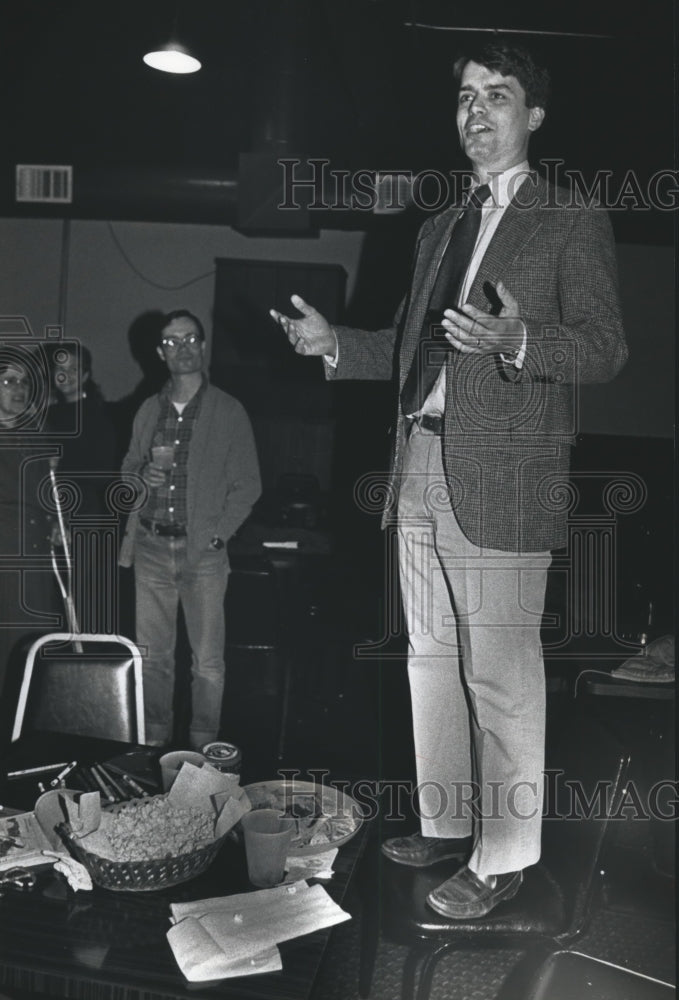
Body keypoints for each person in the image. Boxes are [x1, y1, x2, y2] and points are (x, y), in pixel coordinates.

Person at [270, 41, 628, 918]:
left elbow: (605, 349)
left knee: (500, 677)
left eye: (496, 96)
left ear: (532, 116)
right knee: (429, 659)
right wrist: (334, 346)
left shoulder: (569, 217)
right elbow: (406, 350)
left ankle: (504, 855)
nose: (475, 112)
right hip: (419, 461)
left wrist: (517, 340)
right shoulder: (437, 226)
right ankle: (448, 821)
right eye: (464, 96)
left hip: (505, 475)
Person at [119, 309, 261, 749]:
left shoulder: (228, 410)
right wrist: (142, 477)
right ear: (160, 352)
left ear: (202, 345)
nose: (181, 348)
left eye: (189, 338)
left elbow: (248, 485)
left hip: (203, 554)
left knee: (208, 664)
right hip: (151, 548)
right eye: (171, 341)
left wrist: (218, 535)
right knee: (152, 660)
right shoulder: (147, 410)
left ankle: (203, 756)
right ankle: (154, 751)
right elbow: (126, 473)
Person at [0, 354, 59, 745]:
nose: (18, 389)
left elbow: (47, 493)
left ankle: (28, 738)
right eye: (8, 382)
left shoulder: (34, 432)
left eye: (23, 383)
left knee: (36, 644)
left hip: (35, 557)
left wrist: (56, 519)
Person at [48, 344, 118, 517]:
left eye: (73, 369)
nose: (65, 375)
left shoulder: (99, 415)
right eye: (60, 368)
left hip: (82, 508)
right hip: (49, 505)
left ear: (85, 375)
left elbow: (104, 473)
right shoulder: (48, 414)